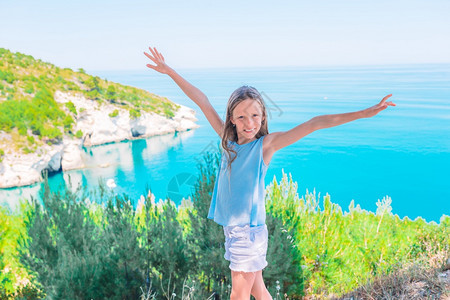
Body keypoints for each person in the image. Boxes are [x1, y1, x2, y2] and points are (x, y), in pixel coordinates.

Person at [144, 46, 396, 300]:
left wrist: (365, 113)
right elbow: (202, 100)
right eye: (241, 117)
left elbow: (314, 123)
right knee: (259, 291)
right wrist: (169, 72)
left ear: (263, 115)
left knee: (238, 295)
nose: (249, 122)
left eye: (255, 115)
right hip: (234, 230)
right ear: (231, 119)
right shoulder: (227, 142)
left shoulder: (265, 145)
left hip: (248, 232)